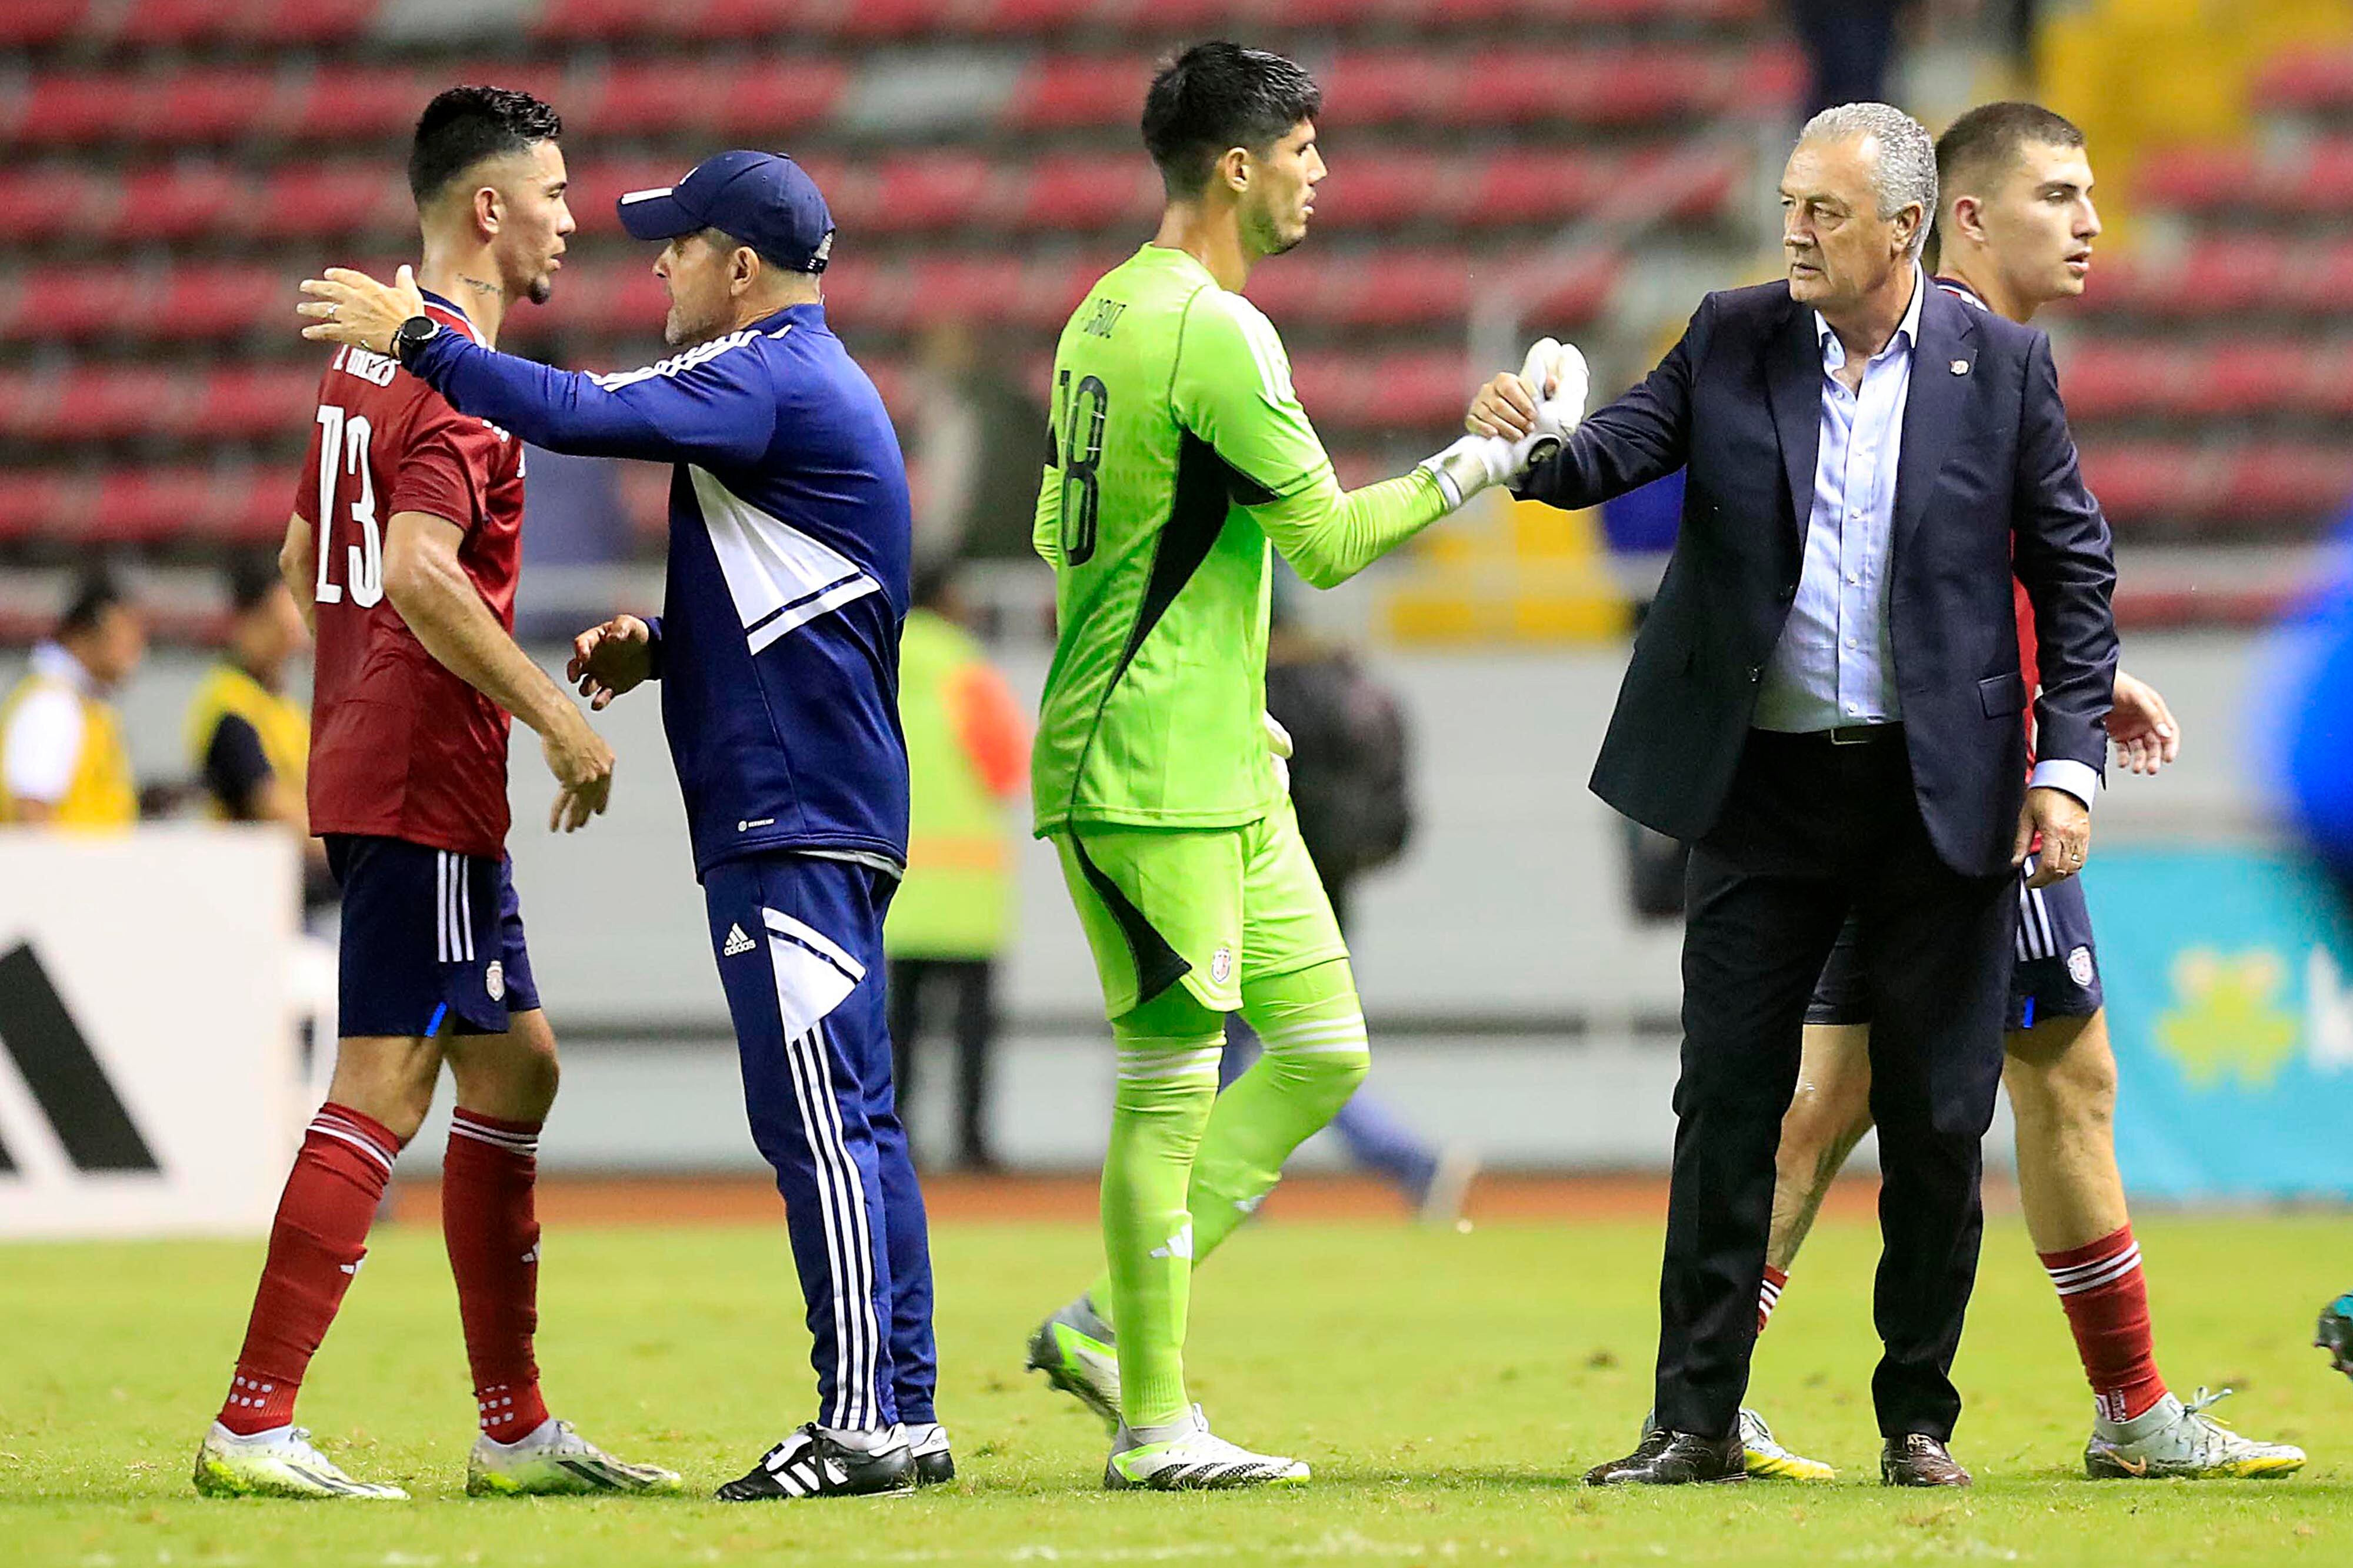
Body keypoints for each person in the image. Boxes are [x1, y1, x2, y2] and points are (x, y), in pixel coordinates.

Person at [1471, 101, 2119, 1487]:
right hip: (1762, 790)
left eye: (1822, 212)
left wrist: (2064, 765)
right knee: (1724, 1101)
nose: (1793, 232)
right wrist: (1534, 447)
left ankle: (1916, 1419)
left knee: (1943, 1114)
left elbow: (2073, 574)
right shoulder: (1730, 329)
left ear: (1901, 228)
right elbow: (1616, 451)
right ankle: (1691, 1416)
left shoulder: (1999, 366)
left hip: (1932, 794)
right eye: (1786, 205)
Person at [304, 149, 946, 1502]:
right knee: (855, 1117)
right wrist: (664, 643)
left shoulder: (766, 371)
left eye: (678, 245)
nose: (655, 264)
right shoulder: (800, 386)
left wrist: (419, 332)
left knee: (818, 1119)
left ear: (741, 267)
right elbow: (808, 592)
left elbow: (577, 409)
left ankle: (864, 1423)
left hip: (791, 810)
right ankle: (904, 1409)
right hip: (818, 798)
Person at [1736, 102, 2304, 1484]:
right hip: (1953, 794)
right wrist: (2020, 745)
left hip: (1938, 772)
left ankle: (1708, 1389)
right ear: (1970, 220)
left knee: (1840, 1094)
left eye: (2095, 190)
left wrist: (2068, 690)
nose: (2092, 219)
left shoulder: (1969, 363)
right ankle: (2127, 1407)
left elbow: (1958, 570)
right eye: (2058, 193)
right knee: (2049, 1080)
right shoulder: (1937, 359)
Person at [1017, 41, 1554, 1491]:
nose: (1324, 175)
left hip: (1211, 755)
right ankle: (1153, 1422)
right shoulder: (1214, 333)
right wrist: (1474, 465)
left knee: (1317, 1046)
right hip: (1146, 771)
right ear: (1239, 166)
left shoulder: (1102, 314)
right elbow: (1320, 539)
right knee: (1169, 1077)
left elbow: (1078, 539)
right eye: (1307, 150)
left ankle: (1105, 1329)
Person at [195, 86, 674, 1504]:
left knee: (516, 1063)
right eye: (558, 192)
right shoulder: (458, 374)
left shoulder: (360, 365)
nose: (575, 219)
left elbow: (303, 562)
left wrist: (350, 700)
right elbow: (417, 567)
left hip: (375, 752)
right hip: (422, 772)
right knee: (387, 1080)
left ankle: (515, 1428)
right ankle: (254, 1414)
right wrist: (553, 724)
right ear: (488, 209)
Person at [1217, 609, 1477, 1222]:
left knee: (1250, 1045)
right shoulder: (1342, 680)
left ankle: (1235, 1186)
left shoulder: (1262, 687)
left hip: (1255, 887)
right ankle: (1409, 1163)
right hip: (1325, 891)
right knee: (1302, 1044)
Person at [885, 567, 1027, 1172]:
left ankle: (896, 1145)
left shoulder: (878, 668)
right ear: (950, 602)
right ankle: (971, 1145)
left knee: (898, 1036)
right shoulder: (967, 672)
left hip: (896, 887)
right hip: (967, 893)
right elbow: (1008, 767)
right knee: (972, 1036)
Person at [185, 555, 335, 900]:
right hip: (249, 894)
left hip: (297, 888)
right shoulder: (228, 706)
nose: (289, 636)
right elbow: (269, 806)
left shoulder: (286, 709)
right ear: (245, 622)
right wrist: (352, 855)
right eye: (276, 621)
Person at [1, 571, 144, 829]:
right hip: (67, 869)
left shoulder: (82, 703)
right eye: (125, 632)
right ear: (88, 632)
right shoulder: (51, 704)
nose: (135, 648)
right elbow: (32, 812)